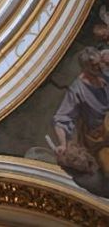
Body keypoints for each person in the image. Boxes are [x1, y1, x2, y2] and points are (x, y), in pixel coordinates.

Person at [53, 47, 109, 179]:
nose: (99, 68)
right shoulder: (77, 90)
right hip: (100, 137)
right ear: (85, 68)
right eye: (94, 66)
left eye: (100, 63)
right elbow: (61, 119)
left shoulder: (104, 74)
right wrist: (63, 144)